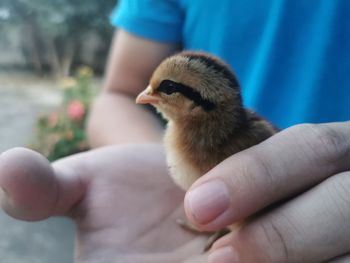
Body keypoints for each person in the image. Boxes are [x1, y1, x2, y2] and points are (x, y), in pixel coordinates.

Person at [1, 1, 350, 262]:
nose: (147, 93)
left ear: (197, 105)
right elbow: (118, 94)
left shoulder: (229, 142)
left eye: (163, 88)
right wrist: (152, 172)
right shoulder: (187, 137)